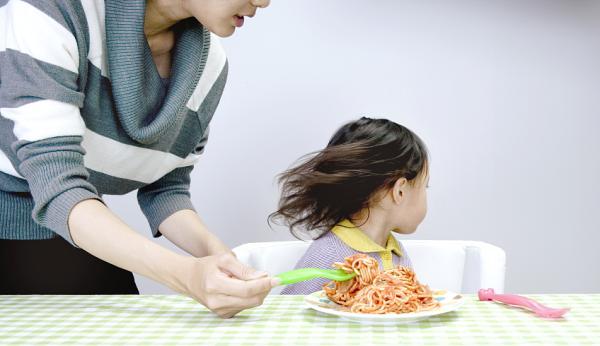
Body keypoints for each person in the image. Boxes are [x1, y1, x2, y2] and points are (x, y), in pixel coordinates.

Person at [0, 0, 275, 318]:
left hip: (78, 231)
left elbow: (167, 187)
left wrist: (220, 258)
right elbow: (58, 186)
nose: (264, 2)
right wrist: (188, 276)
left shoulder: (210, 67)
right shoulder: (53, 10)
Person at [270, 117, 429, 294]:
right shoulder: (328, 253)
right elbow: (290, 312)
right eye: (425, 186)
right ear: (400, 191)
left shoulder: (395, 251)